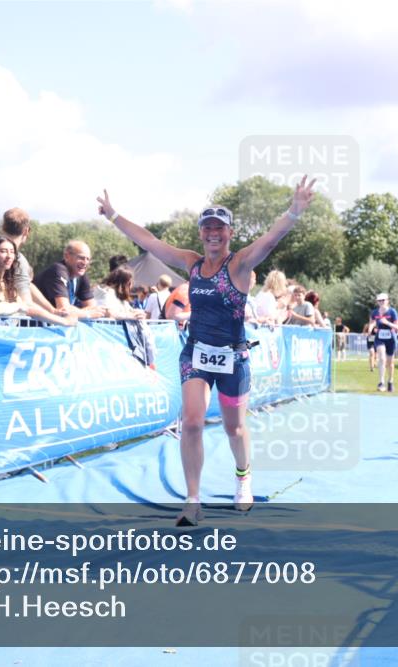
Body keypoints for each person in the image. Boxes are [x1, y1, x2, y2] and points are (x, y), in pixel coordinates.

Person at [97, 176, 316, 525]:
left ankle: (243, 477)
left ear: (229, 233)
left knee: (235, 429)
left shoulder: (241, 264)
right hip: (196, 355)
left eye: (220, 228)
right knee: (193, 423)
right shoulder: (192, 263)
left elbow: (270, 240)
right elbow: (150, 242)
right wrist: (113, 215)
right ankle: (193, 500)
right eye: (208, 228)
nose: (214, 233)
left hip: (233, 358)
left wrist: (294, 211)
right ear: (201, 233)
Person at [0, 235, 76, 326]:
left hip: (3, 333)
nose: (9, 256)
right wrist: (20, 306)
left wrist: (54, 313)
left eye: (12, 252)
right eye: (3, 251)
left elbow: (28, 307)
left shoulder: (7, 281)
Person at [0, 207, 65, 317]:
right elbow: (27, 304)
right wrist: (59, 319)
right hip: (4, 326)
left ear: (3, 227)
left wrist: (52, 310)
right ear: (26, 231)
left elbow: (27, 285)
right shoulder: (17, 259)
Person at [33, 240, 108, 318]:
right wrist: (87, 314)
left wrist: (78, 311)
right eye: (81, 258)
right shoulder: (58, 270)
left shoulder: (81, 274)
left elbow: (92, 307)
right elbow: (64, 309)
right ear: (66, 256)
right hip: (33, 326)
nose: (85, 263)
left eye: (88, 259)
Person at [371, 293, 398, 392]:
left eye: (383, 300)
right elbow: (371, 322)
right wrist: (371, 328)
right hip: (379, 338)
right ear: (377, 302)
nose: (381, 302)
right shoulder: (374, 312)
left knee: (390, 363)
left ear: (387, 300)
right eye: (379, 300)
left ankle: (390, 381)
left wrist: (387, 322)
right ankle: (381, 382)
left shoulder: (392, 312)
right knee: (382, 359)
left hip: (391, 339)